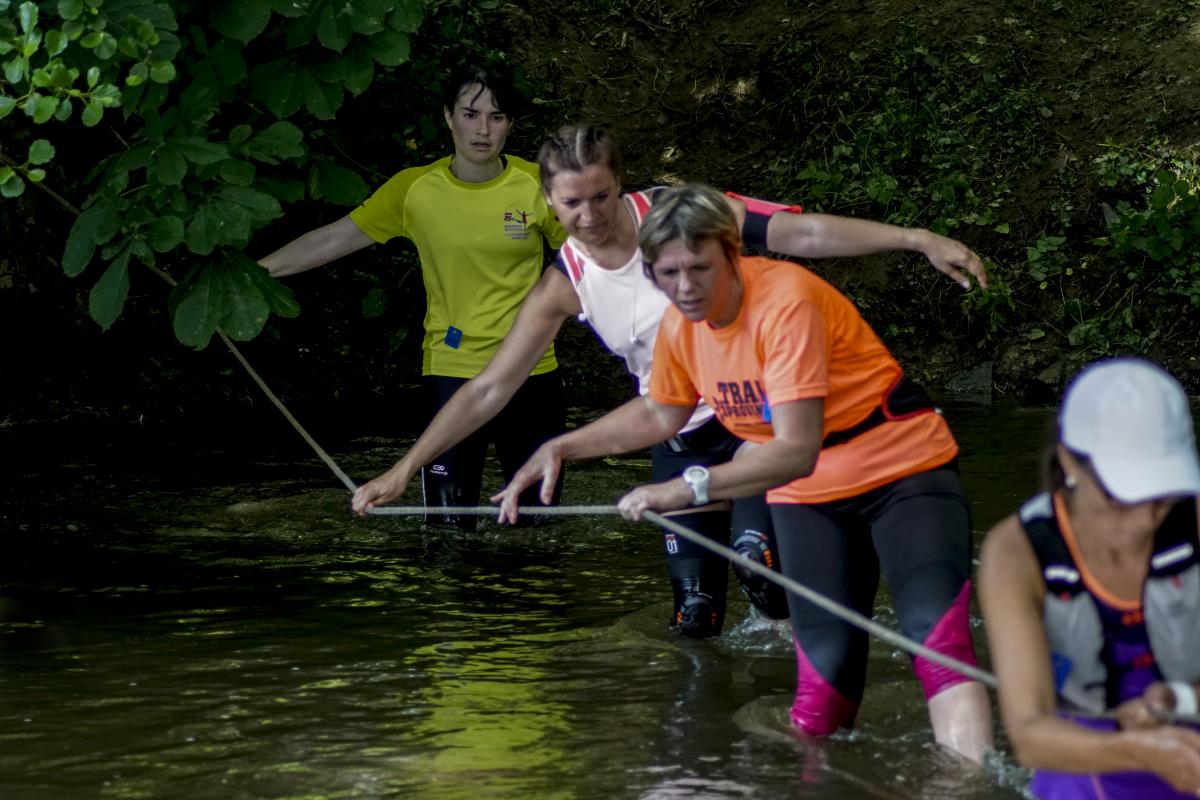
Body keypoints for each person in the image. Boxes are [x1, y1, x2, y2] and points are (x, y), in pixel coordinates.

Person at [353, 123, 988, 640]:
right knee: (694, 618)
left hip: (756, 423)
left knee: (758, 564)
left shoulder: (679, 217)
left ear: (620, 185)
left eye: (601, 197)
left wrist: (915, 239)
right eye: (571, 203)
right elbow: (490, 387)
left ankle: (817, 659)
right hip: (675, 427)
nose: (589, 216)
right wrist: (405, 469)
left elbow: (797, 232)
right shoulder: (564, 284)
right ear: (548, 201)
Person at [492, 183, 993, 762]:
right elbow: (661, 412)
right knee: (823, 690)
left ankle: (970, 783)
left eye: (699, 268)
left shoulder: (785, 302)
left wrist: (687, 488)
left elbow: (795, 448)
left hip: (900, 469)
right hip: (810, 495)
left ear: (732, 254)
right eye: (667, 274)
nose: (685, 287)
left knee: (934, 640)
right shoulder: (681, 326)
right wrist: (562, 448)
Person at [258, 64, 568, 530]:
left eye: (497, 116)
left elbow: (591, 255)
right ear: (448, 117)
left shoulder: (538, 184)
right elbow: (335, 238)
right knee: (446, 534)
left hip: (532, 371)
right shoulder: (414, 189)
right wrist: (252, 276)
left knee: (537, 534)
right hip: (451, 370)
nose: (483, 129)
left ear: (510, 124)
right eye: (470, 114)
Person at [978, 357, 1200, 797]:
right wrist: (1141, 751)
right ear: (1070, 462)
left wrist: (1181, 698)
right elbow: (1029, 733)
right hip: (1083, 769)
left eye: (1162, 495)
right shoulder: (1016, 553)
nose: (1146, 519)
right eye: (1123, 496)